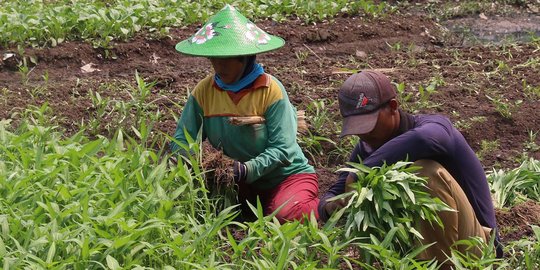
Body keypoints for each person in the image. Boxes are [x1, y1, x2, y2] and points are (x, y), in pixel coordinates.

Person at [318, 70, 502, 266]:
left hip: (476, 251)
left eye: (368, 125)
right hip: (412, 253)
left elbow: (425, 139)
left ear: (393, 107)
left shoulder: (433, 127)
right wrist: (333, 205)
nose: (363, 135)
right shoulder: (367, 147)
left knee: (425, 171)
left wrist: (362, 172)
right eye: (356, 128)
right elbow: (332, 195)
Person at [170, 5, 319, 222]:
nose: (217, 65)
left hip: (286, 178)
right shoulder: (204, 91)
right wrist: (196, 163)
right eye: (213, 58)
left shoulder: (270, 90)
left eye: (225, 59)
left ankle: (318, 207)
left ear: (245, 57)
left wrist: (245, 170)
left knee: (286, 215)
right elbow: (182, 140)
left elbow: (283, 149)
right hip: (240, 182)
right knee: (197, 212)